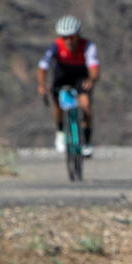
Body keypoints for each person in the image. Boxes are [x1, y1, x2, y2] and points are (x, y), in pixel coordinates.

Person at [36, 14, 99, 157]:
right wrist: (42, 85)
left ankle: (87, 143)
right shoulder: (55, 46)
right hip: (62, 76)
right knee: (57, 102)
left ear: (78, 35)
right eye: (65, 37)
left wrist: (92, 79)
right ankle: (60, 132)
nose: (68, 40)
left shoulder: (88, 46)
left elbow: (94, 67)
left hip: (80, 77)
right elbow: (43, 66)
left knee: (86, 106)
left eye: (72, 37)